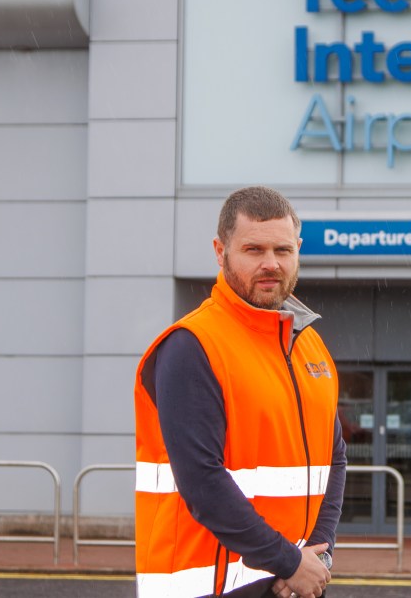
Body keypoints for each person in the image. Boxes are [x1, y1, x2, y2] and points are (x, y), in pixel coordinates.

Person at [134, 186, 346, 598]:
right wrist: (288, 561)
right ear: (220, 251)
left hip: (289, 584)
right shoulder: (192, 345)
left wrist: (315, 555)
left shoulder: (310, 345)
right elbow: (202, 482)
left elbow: (333, 459)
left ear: (298, 250)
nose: (271, 264)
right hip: (206, 587)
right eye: (254, 250)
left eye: (283, 251)